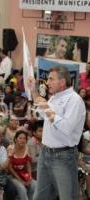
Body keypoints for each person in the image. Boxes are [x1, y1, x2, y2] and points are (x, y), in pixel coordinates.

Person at [28, 66, 86, 200]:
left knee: (67, 197)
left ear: (62, 82)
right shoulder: (54, 98)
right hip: (45, 153)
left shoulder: (75, 100)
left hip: (63, 157)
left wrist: (47, 108)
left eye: (51, 79)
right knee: (40, 196)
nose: (47, 82)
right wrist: (34, 91)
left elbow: (66, 127)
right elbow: (42, 112)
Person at [8, 130, 36, 200]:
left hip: (24, 174)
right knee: (21, 188)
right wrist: (20, 180)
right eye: (20, 138)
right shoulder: (10, 148)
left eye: (24, 138)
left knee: (34, 185)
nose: (22, 140)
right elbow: (9, 168)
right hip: (13, 176)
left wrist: (29, 178)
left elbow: (28, 165)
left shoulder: (27, 148)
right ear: (15, 139)